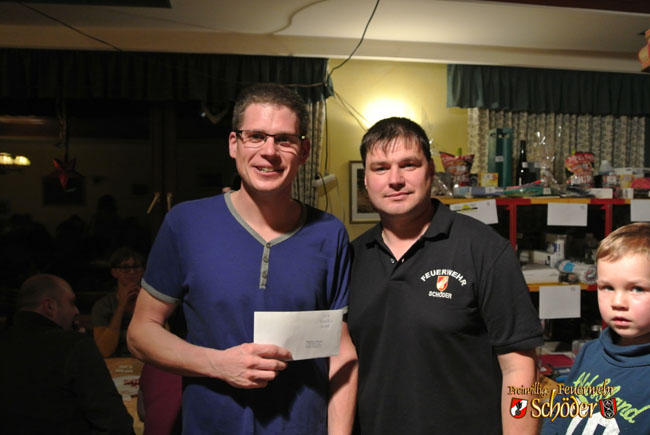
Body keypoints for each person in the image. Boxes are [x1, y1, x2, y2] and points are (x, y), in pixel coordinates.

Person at [127, 82, 357, 435]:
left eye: (284, 139)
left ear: (304, 151)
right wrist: (218, 363)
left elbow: (340, 349)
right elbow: (141, 333)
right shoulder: (187, 223)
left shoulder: (329, 233)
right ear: (234, 144)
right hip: (211, 426)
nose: (269, 151)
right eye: (256, 137)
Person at [347, 117, 544, 434]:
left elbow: (520, 369)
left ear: (431, 171)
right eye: (380, 168)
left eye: (408, 165)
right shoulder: (351, 257)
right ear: (367, 180)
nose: (395, 179)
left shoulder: (484, 249)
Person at [541, 223, 650, 434]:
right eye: (607, 287)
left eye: (637, 289)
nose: (618, 302)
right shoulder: (590, 352)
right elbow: (558, 417)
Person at [0, 274, 134, 434]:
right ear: (49, 306)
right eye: (71, 302)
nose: (76, 311)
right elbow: (116, 425)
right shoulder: (74, 346)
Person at [92, 246, 145, 357]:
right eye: (125, 268)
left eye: (136, 267)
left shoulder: (150, 301)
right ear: (114, 272)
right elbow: (104, 350)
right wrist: (121, 306)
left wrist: (143, 304)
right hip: (115, 360)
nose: (132, 272)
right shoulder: (103, 305)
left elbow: (161, 340)